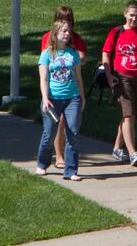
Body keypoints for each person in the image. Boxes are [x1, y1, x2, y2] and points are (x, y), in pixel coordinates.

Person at [101, 0, 137, 167]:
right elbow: (105, 54)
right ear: (125, 14)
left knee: (130, 116)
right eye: (131, 15)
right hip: (121, 77)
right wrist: (109, 76)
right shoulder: (116, 32)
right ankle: (133, 153)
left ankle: (117, 148)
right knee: (128, 114)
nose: (134, 18)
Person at [36, 19, 86, 181]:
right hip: (52, 99)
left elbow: (78, 78)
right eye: (63, 31)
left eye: (68, 31)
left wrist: (82, 97)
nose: (67, 34)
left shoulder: (73, 53)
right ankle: (42, 163)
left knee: (73, 132)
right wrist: (45, 98)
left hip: (72, 98)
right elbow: (43, 79)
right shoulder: (47, 54)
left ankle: (71, 171)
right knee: (48, 133)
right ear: (55, 34)